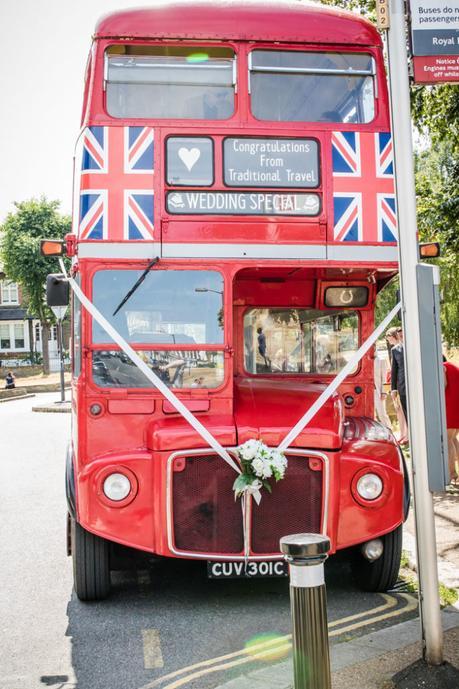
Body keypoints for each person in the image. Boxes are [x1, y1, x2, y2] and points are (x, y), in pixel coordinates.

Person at [386, 326, 408, 443]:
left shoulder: (413, 347)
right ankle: (408, 435)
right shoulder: (395, 350)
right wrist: (393, 389)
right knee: (404, 411)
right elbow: (394, 371)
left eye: (403, 334)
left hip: (415, 386)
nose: (401, 337)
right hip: (402, 386)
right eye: (400, 335)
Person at [443, 355, 459, 485]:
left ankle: (452, 474)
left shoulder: (443, 368)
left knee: (448, 440)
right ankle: (455, 474)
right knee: (454, 439)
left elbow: (443, 385)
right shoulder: (453, 366)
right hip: (456, 406)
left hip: (449, 406)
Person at [373, 346, 392, 428]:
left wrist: (384, 392)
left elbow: (384, 378)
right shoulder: (362, 359)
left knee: (382, 413)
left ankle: (389, 430)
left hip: (377, 390)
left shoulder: (381, 360)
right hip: (366, 391)